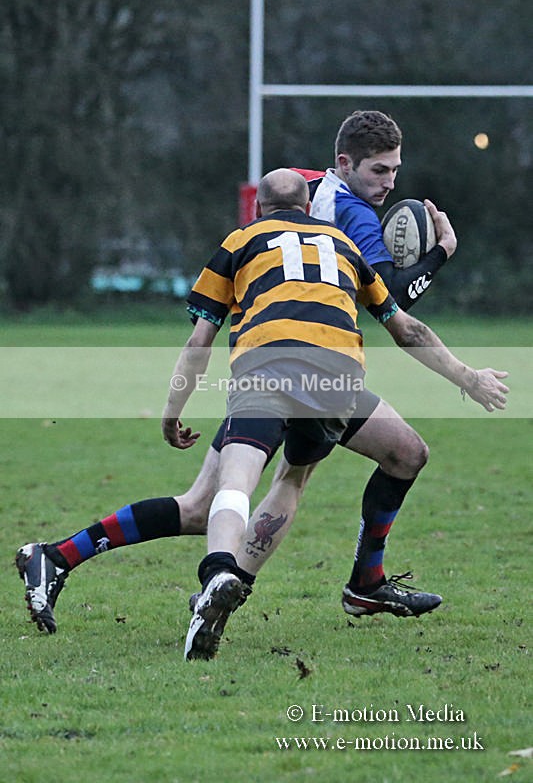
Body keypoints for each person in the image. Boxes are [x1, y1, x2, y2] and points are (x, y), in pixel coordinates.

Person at [159, 168, 507, 660]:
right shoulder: (344, 245)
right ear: (308, 207)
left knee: (237, 480)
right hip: (334, 381)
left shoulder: (239, 240)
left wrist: (172, 409)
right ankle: (359, 580)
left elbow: (199, 342)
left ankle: (219, 573)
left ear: (258, 207)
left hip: (265, 368)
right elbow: (408, 330)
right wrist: (468, 378)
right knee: (399, 456)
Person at [294, 108, 457, 309]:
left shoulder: (294, 181)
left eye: (394, 170)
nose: (390, 183)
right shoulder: (356, 214)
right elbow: (392, 300)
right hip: (318, 324)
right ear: (345, 163)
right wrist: (444, 249)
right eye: (379, 170)